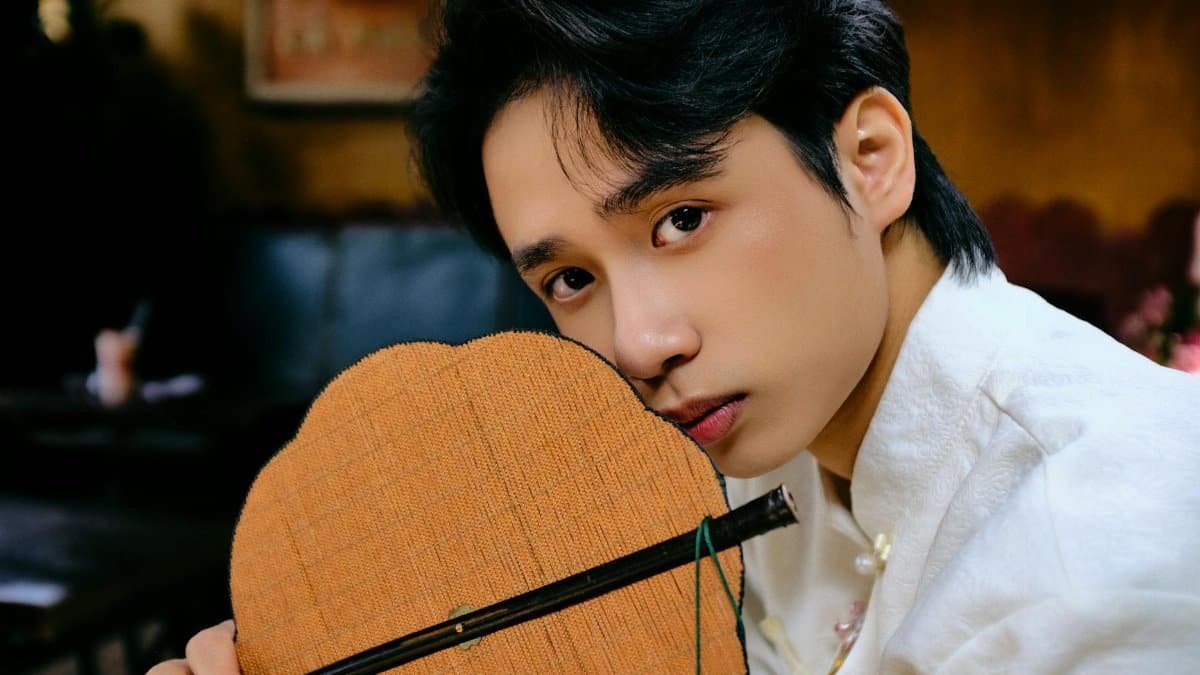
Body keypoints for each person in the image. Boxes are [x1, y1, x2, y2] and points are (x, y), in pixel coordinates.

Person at [151, 1, 1200, 673]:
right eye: (570, 280)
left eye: (682, 219)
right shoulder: (751, 465)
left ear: (871, 158)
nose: (640, 343)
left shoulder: (1111, 553)